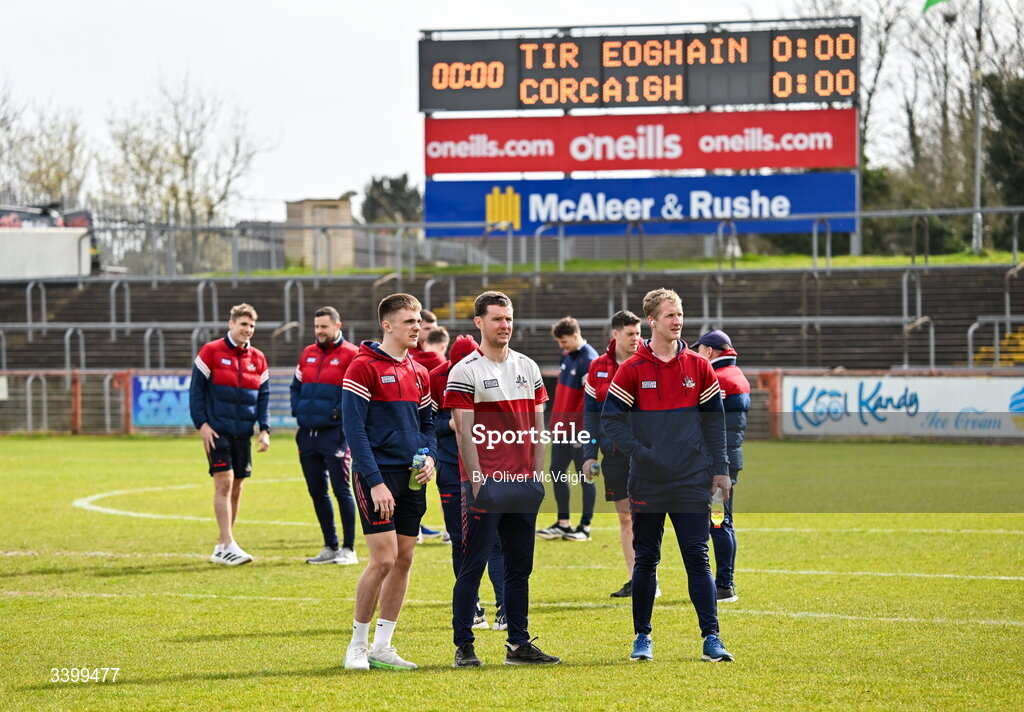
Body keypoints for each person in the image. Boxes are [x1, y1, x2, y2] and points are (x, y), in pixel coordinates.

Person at [602, 288, 734, 663]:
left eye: (680, 314)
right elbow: (611, 421)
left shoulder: (699, 366)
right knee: (647, 560)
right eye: (670, 315)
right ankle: (642, 638)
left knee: (698, 558)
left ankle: (712, 638)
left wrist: (721, 470)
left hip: (693, 479)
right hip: (648, 481)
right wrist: (642, 454)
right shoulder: (632, 369)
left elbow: (715, 425)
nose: (677, 321)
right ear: (652, 321)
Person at [447, 291, 561, 668]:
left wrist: (537, 476)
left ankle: (518, 645)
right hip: (485, 485)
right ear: (479, 322)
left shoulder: (528, 367)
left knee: (519, 568)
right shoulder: (465, 370)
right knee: (473, 565)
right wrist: (477, 481)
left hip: (522, 485)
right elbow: (464, 432)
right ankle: (464, 646)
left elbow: (539, 426)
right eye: (497, 318)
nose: (505, 325)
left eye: (509, 318)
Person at [341, 293, 437, 671]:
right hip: (375, 476)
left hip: (412, 477)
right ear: (388, 325)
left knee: (404, 558)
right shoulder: (362, 367)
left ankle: (383, 646)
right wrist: (376, 481)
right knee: (383, 559)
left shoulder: (419, 371)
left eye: (418, 321)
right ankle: (357, 646)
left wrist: (428, 456)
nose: (417, 327)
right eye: (410, 321)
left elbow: (428, 423)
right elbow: (354, 431)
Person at [429, 334, 507, 631]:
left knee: (497, 539)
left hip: (489, 465)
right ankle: (471, 605)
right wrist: (452, 423)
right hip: (451, 466)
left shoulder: (493, 372)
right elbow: (426, 422)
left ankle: (504, 606)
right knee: (460, 539)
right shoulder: (436, 377)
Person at [189, 303, 270, 566]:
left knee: (237, 486)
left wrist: (264, 429)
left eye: (252, 326)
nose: (248, 330)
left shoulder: (258, 358)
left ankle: (224, 544)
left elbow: (263, 397)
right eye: (243, 324)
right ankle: (228, 542)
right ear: (231, 324)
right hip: (217, 430)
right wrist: (202, 424)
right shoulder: (211, 351)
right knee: (224, 482)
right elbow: (196, 391)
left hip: (242, 433)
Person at [290, 306, 359, 566]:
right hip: (306, 434)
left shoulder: (352, 354)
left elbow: (355, 391)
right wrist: (297, 408)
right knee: (317, 491)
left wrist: (336, 414)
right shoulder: (307, 353)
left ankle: (349, 548)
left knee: (342, 490)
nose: (319, 331)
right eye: (316, 327)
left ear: (337, 326)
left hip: (335, 434)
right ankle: (330, 545)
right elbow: (295, 385)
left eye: (324, 327)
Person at [581, 310, 643, 597]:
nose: (636, 339)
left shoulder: (649, 362)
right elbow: (591, 415)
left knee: (648, 516)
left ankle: (648, 575)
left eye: (639, 333)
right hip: (614, 454)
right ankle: (637, 579)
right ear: (615, 335)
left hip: (645, 453)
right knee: (626, 518)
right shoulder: (598, 368)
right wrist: (589, 454)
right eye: (630, 334)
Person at [694, 329, 750, 603]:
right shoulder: (736, 376)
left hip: (716, 465)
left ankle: (725, 585)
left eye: (700, 348)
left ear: (709, 351)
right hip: (727, 462)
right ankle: (723, 582)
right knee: (721, 521)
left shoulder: (718, 379)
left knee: (718, 522)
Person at [536, 316, 598, 541]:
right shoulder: (567, 357)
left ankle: (585, 527)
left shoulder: (590, 360)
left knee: (586, 476)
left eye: (563, 341)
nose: (561, 346)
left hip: (580, 430)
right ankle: (563, 523)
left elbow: (589, 401)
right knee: (556, 472)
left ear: (574, 335)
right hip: (562, 430)